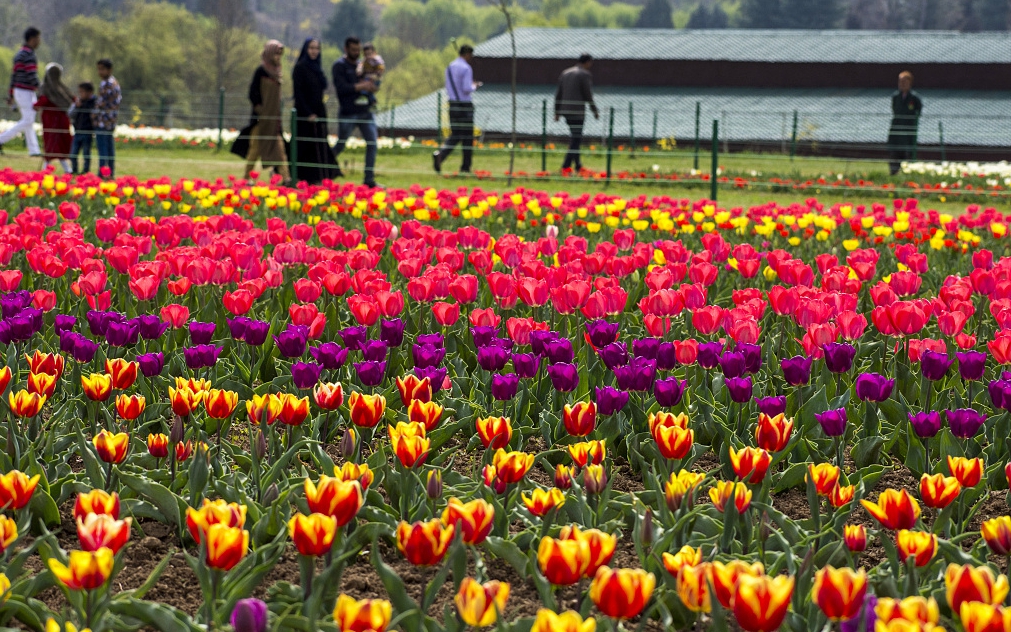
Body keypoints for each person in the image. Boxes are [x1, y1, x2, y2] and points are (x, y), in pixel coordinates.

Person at [332, 37, 379, 188]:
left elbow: (371, 78)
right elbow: (341, 88)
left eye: (358, 50)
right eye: (353, 50)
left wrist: (372, 86)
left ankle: (369, 179)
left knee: (372, 143)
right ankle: (324, 168)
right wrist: (359, 86)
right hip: (348, 112)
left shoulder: (362, 65)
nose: (356, 53)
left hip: (365, 111)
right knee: (341, 144)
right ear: (346, 49)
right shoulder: (339, 66)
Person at [292, 38, 338, 184]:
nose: (314, 51)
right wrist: (307, 113)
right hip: (304, 113)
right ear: (306, 49)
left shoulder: (318, 68)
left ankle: (318, 176)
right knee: (304, 145)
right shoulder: (300, 67)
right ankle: (301, 176)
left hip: (318, 110)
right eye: (311, 48)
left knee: (319, 143)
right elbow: (298, 93)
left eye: (317, 48)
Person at [245, 40, 291, 183]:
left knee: (280, 151)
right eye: (276, 54)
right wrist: (261, 110)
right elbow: (253, 93)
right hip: (261, 120)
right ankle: (247, 178)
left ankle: (286, 179)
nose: (278, 57)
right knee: (255, 150)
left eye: (280, 54)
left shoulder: (278, 72)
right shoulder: (261, 71)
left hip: (274, 121)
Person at [433, 45, 481, 175]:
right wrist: (474, 86)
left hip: (452, 104)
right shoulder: (466, 68)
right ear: (467, 54)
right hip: (464, 105)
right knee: (467, 137)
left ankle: (441, 155)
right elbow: (466, 88)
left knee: (456, 134)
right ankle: (465, 166)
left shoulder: (449, 67)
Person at [0, 27, 42, 156]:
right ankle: (1, 139)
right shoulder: (28, 55)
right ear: (32, 39)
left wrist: (11, 93)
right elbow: (31, 75)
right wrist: (41, 88)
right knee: (28, 120)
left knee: (28, 120)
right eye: (38, 39)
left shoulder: (20, 53)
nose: (39, 42)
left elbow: (14, 75)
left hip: (22, 90)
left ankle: (34, 150)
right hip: (25, 91)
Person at [554, 53, 599, 173]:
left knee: (575, 138)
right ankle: (566, 166)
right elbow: (587, 94)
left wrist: (557, 111)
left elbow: (559, 93)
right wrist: (594, 110)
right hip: (577, 111)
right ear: (587, 62)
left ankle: (577, 165)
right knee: (576, 139)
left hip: (566, 111)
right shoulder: (584, 75)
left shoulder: (565, 73)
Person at [35, 63, 74, 173]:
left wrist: (33, 106)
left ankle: (46, 168)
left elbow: (43, 101)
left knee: (51, 142)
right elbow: (72, 99)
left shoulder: (46, 88)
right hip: (61, 119)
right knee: (58, 142)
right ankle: (66, 168)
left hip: (50, 120)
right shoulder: (62, 88)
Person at [887, 70, 922, 176]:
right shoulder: (895, 97)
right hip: (896, 132)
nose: (902, 84)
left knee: (908, 157)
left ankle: (908, 177)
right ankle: (893, 175)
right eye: (900, 82)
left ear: (909, 83)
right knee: (894, 156)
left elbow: (918, 112)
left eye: (904, 82)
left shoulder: (914, 98)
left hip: (908, 133)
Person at [93, 59, 122, 177]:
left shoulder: (107, 84)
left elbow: (101, 103)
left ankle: (102, 173)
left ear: (109, 70)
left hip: (103, 121)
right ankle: (110, 173)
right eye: (99, 69)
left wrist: (93, 114)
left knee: (103, 149)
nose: (100, 72)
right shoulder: (114, 82)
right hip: (111, 120)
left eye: (102, 69)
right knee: (109, 149)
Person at [69, 82, 96, 174]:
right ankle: (74, 169)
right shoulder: (78, 102)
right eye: (79, 92)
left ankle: (86, 170)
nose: (80, 94)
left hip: (87, 132)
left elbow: (94, 116)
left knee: (86, 153)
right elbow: (70, 114)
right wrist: (76, 107)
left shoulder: (94, 103)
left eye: (82, 92)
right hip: (77, 131)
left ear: (90, 92)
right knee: (73, 153)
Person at [357, 43, 385, 110]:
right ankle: (373, 102)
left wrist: (376, 75)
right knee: (368, 91)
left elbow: (380, 70)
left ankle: (367, 99)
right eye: (366, 54)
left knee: (366, 89)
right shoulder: (364, 61)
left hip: (374, 79)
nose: (368, 56)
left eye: (369, 54)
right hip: (367, 78)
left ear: (374, 53)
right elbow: (360, 66)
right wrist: (359, 70)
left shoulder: (377, 60)